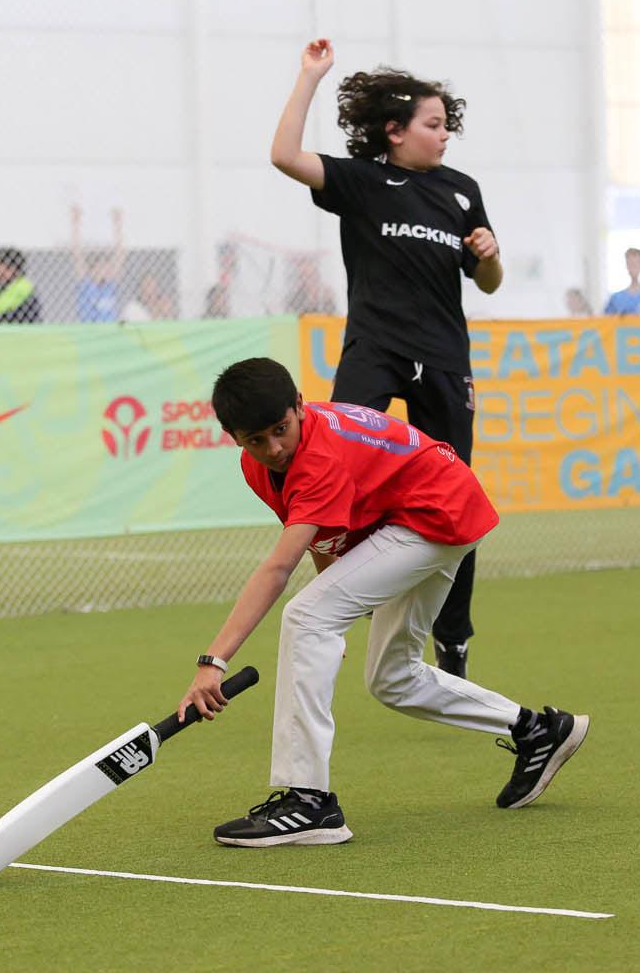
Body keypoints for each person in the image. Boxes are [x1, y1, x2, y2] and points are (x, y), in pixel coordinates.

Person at [178, 358, 589, 846]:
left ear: (300, 407)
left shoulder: (318, 456)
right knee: (390, 677)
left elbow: (277, 569)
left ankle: (308, 801)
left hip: (433, 515)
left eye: (281, 430)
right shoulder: (262, 465)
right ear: (234, 438)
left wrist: (214, 662)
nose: (274, 448)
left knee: (305, 616)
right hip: (437, 510)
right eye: (256, 440)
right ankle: (537, 730)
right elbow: (321, 535)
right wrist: (334, 612)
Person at [270, 37, 496, 679]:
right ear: (394, 133)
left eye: (446, 124)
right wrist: (310, 76)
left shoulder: (461, 191)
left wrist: (489, 252)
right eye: (433, 124)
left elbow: (489, 283)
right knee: (334, 461)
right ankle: (355, 591)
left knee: (457, 494)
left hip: (446, 359)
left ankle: (453, 635)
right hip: (376, 350)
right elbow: (283, 155)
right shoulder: (365, 183)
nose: (444, 134)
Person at [70, 205, 126, 323]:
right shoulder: (85, 283)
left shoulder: (109, 286)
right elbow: (77, 254)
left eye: (107, 267)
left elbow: (120, 255)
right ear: (92, 269)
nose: (105, 270)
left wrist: (117, 224)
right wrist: (75, 223)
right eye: (101, 266)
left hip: (109, 330)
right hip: (90, 330)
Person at [604, 248, 640, 316]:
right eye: (630, 264)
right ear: (626, 266)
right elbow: (605, 322)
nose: (633, 268)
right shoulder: (616, 299)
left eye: (636, 264)